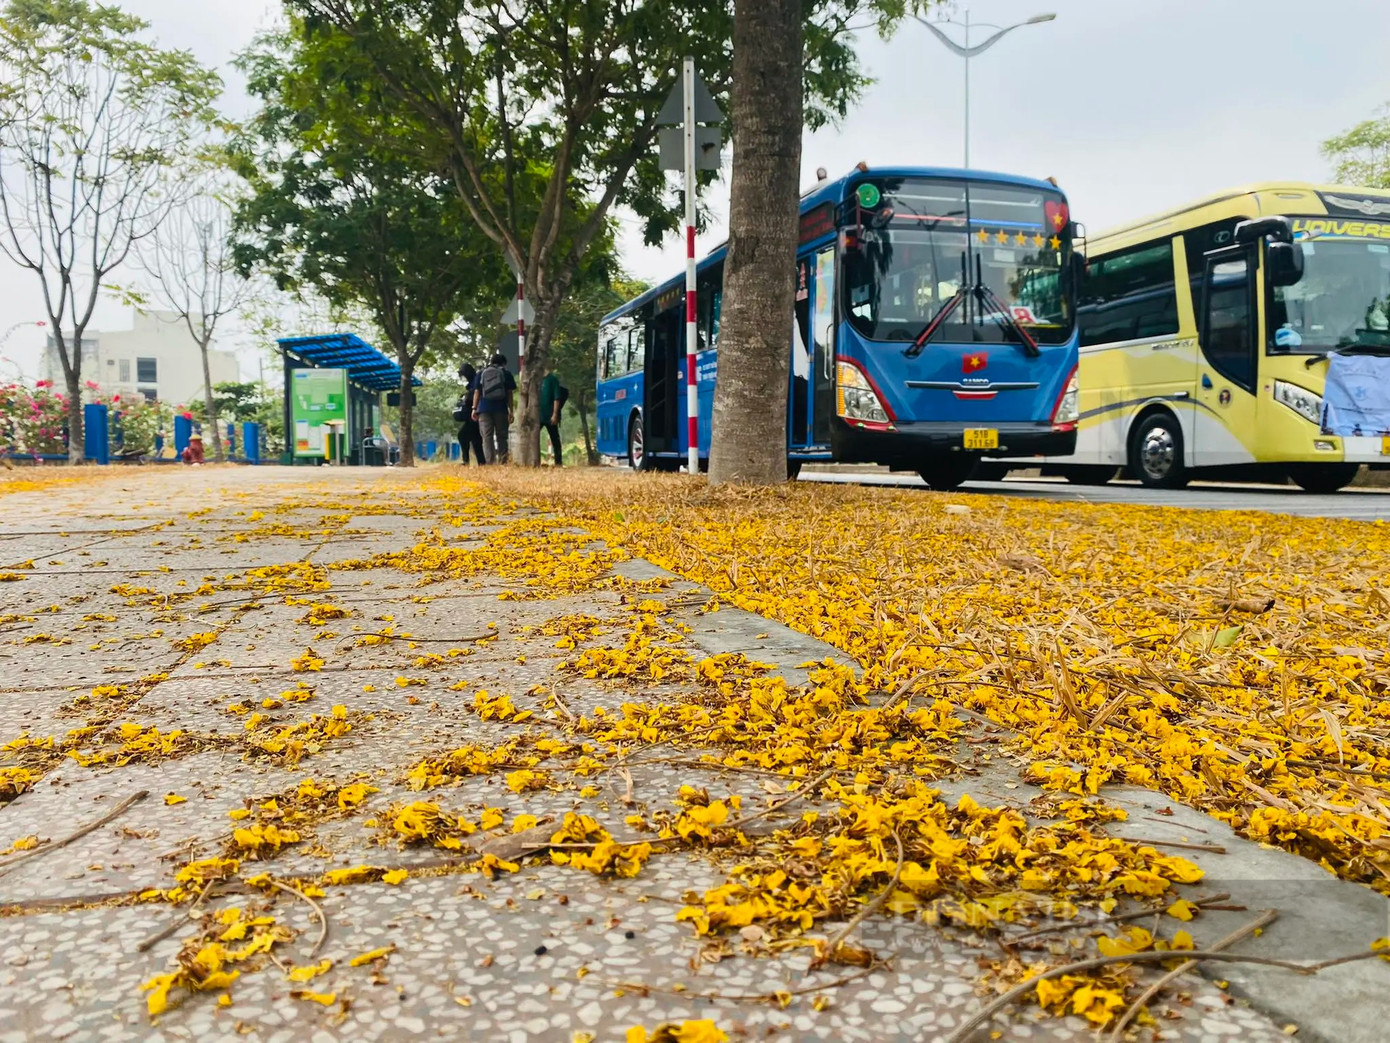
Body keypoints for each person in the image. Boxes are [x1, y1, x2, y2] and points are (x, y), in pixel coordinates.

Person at [473, 352, 516, 464]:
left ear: (491, 362)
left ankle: (490, 462)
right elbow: (510, 393)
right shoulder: (506, 374)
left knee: (487, 437)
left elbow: (477, 392)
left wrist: (474, 409)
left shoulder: (481, 373)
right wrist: (511, 411)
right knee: (501, 436)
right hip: (501, 409)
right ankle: (503, 462)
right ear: (503, 363)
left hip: (484, 409)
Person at [455, 362, 486, 465]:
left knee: (463, 435)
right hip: (474, 414)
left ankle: (466, 460)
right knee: (476, 439)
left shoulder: (475, 381)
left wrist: (467, 398)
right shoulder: (472, 382)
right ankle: (481, 462)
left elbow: (475, 394)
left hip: (475, 413)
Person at [539, 365, 567, 466]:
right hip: (538, 415)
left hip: (550, 415)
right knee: (533, 438)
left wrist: (555, 414)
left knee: (555, 438)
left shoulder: (552, 379)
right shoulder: (536, 379)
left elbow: (557, 398)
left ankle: (558, 462)